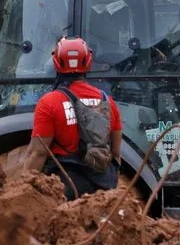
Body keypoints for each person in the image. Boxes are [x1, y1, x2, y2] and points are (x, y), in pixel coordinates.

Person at [21, 37, 123, 199]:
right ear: (88, 62)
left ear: (56, 63)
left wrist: (22, 191)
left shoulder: (49, 102)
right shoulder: (108, 102)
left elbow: (38, 152)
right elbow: (116, 152)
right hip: (102, 190)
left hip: (65, 188)